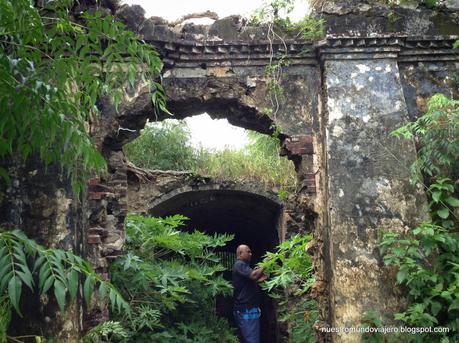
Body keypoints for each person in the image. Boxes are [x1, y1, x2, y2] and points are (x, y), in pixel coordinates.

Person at [232, 244, 267, 343]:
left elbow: (252, 280)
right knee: (252, 340)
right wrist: (265, 263)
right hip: (246, 310)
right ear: (240, 253)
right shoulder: (240, 264)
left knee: (250, 338)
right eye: (248, 251)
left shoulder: (244, 267)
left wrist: (260, 278)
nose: (251, 254)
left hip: (247, 310)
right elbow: (253, 276)